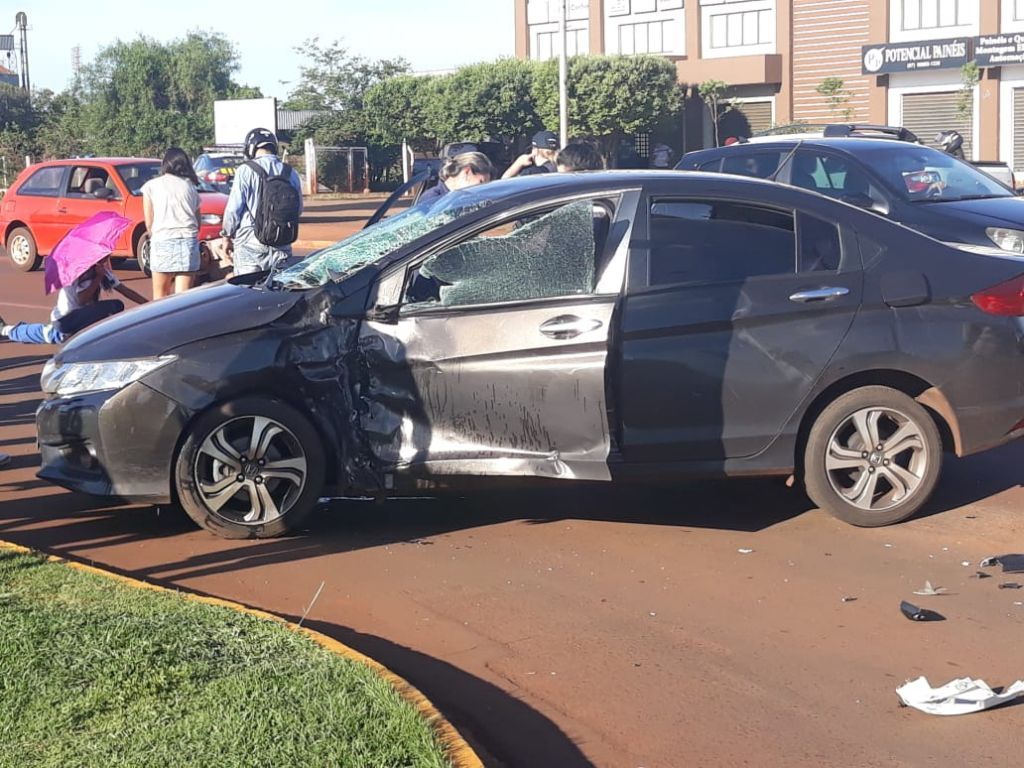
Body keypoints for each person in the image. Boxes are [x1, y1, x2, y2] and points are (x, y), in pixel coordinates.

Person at [1, 258, 145, 344]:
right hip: (66, 319)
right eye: (105, 257)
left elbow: (125, 290)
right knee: (49, 335)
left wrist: (150, 304)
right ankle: (7, 330)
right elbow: (82, 299)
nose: (108, 259)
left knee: (115, 305)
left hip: (81, 316)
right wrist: (98, 278)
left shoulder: (101, 271)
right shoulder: (78, 272)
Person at [222, 128, 304, 276]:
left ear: (251, 148)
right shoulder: (290, 172)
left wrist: (226, 236)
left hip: (250, 243)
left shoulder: (245, 170)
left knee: (248, 292)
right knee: (278, 292)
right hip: (282, 242)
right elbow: (298, 210)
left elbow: (233, 210)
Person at [142, 147, 201, 299]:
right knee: (183, 298)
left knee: (160, 296)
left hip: (163, 240)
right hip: (187, 241)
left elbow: (149, 223)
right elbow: (197, 222)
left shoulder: (151, 186)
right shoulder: (191, 187)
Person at [416, 152, 494, 207]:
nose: (481, 189)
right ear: (467, 172)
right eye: (481, 182)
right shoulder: (432, 199)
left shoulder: (464, 199)